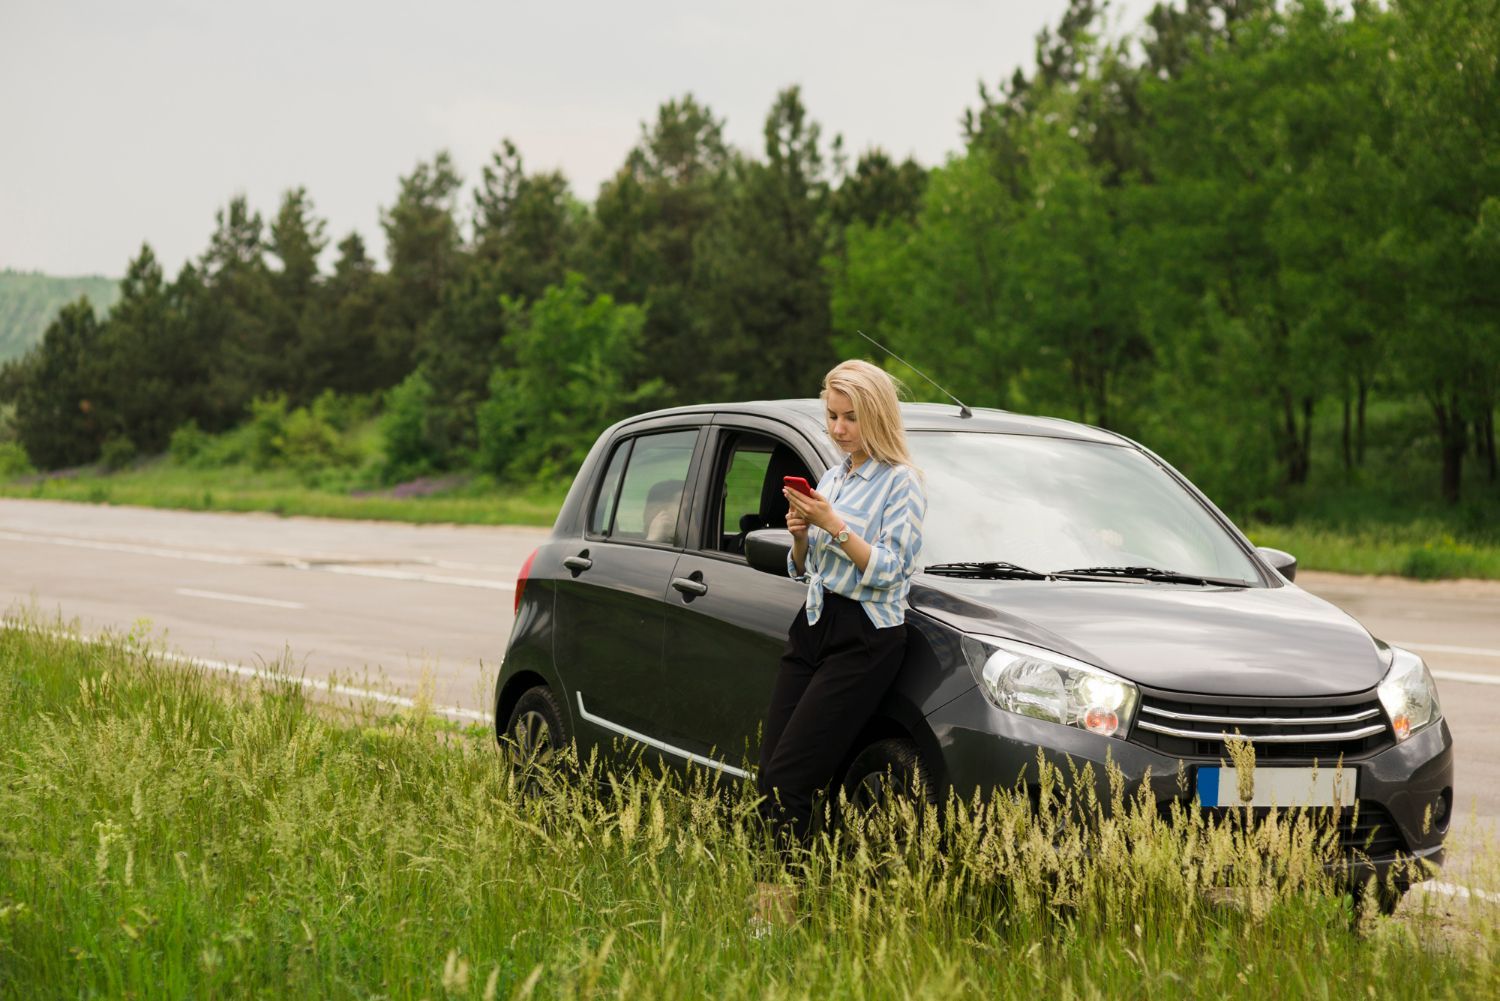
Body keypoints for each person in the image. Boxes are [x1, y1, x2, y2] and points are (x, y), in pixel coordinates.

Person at [752, 359, 927, 921]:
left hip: (864, 637)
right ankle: (776, 910)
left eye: (849, 417)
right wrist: (801, 537)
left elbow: (892, 571)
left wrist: (834, 526)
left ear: (875, 416)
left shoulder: (901, 482)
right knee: (772, 776)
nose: (837, 428)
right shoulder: (833, 477)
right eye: (831, 415)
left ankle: (776, 919)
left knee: (790, 779)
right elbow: (803, 570)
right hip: (813, 624)